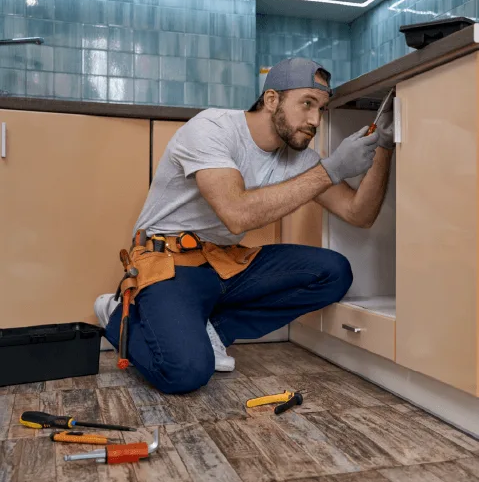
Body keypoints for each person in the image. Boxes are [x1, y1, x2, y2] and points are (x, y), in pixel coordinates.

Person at [94, 57, 395, 394]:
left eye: (321, 109)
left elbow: (359, 213)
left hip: (224, 264)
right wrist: (331, 170)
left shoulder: (300, 159)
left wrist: (383, 145)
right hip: (170, 264)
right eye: (307, 104)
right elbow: (235, 213)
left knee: (334, 271)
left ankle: (215, 329)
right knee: (186, 373)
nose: (314, 120)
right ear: (271, 100)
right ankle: (116, 315)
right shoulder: (212, 129)